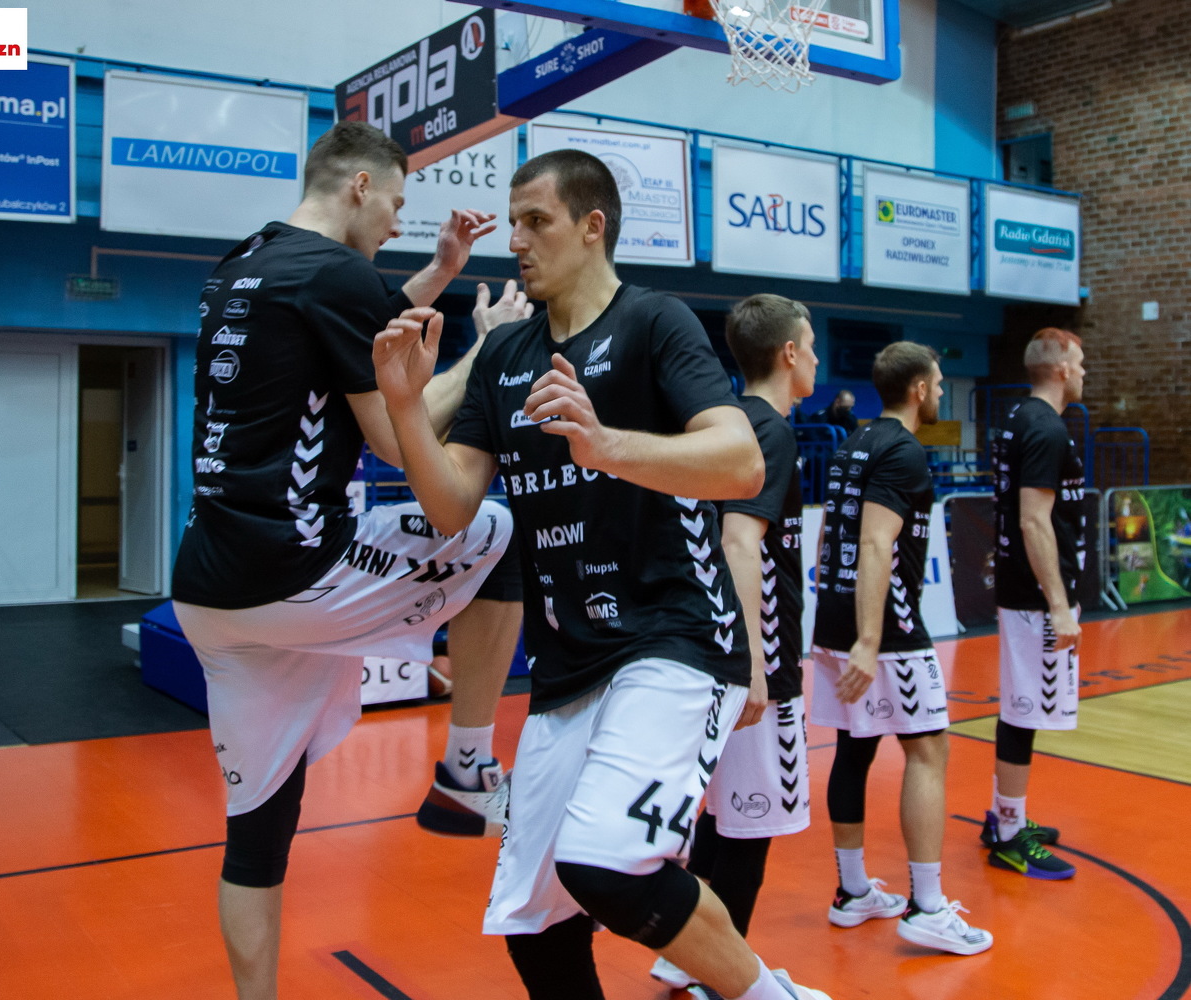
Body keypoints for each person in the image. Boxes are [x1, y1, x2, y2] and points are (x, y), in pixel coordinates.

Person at [374, 148, 833, 1000]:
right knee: (532, 921)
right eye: (513, 222)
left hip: (675, 640)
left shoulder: (656, 322)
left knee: (608, 865)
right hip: (567, 665)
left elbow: (739, 463)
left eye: (535, 221)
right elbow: (453, 507)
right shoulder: (505, 355)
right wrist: (405, 406)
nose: (516, 240)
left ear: (594, 226)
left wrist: (605, 445)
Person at [168, 120, 526, 999]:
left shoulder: (243, 263)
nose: (399, 222)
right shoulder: (339, 275)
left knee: (258, 833)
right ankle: (466, 770)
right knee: (498, 534)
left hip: (207, 590)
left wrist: (439, 273)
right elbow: (399, 435)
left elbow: (344, 336)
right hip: (298, 572)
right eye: (396, 203)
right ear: (360, 186)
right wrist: (486, 351)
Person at [648, 294, 818, 995]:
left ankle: (685, 955)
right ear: (788, 353)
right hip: (755, 657)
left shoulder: (723, 424)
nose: (815, 358)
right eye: (810, 345)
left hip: (714, 649)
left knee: (723, 818)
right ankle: (728, 978)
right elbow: (740, 542)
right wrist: (755, 664)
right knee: (751, 822)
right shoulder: (767, 431)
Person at [810, 341, 992, 956]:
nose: (939, 392)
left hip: (835, 612)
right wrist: (868, 640)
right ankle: (929, 907)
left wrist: (834, 617)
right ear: (918, 389)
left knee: (854, 747)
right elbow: (874, 542)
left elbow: (830, 530)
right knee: (928, 750)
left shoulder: (853, 443)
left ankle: (853, 892)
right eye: (937, 384)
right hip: (885, 625)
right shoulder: (905, 450)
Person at [979, 327, 1087, 879]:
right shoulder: (1044, 427)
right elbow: (1032, 520)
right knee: (1025, 711)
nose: (1084, 372)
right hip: (1035, 597)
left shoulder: (1021, 417)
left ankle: (1004, 815)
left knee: (1023, 708)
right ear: (1062, 368)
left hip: (1025, 590)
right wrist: (1059, 605)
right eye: (1081, 363)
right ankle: (1009, 836)